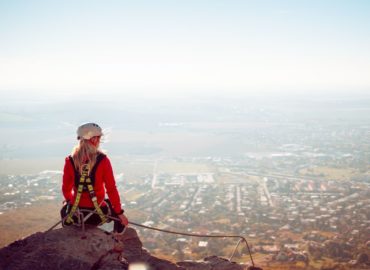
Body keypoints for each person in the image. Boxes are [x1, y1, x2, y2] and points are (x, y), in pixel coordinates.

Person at [60, 122, 128, 233]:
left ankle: (69, 232)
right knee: (112, 205)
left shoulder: (70, 160)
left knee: (64, 209)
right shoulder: (103, 160)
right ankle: (117, 235)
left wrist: (69, 201)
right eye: (99, 138)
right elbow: (111, 189)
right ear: (94, 139)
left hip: (76, 213)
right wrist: (120, 214)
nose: (99, 141)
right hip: (98, 214)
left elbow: (66, 188)